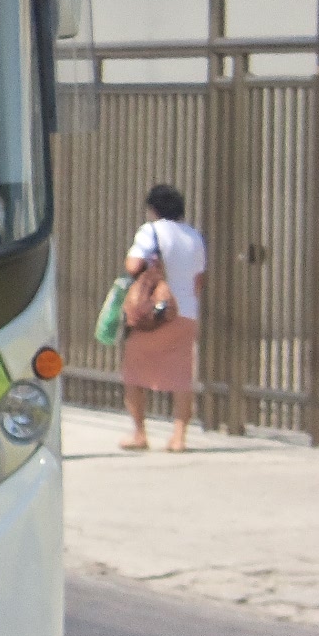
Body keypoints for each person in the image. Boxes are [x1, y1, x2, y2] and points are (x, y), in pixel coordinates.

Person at [120, 183, 206, 453]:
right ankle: (179, 437)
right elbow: (199, 280)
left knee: (134, 373)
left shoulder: (151, 231)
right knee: (181, 375)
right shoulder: (194, 236)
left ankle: (139, 433)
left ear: (153, 209)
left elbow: (133, 265)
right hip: (186, 312)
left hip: (153, 313)